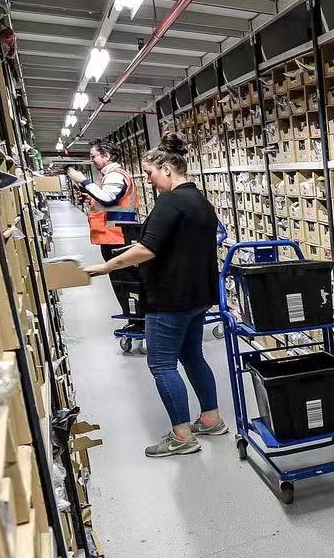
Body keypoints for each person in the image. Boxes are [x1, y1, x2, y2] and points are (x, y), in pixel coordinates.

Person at [86, 134, 229, 458]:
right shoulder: (200, 201)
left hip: (170, 298)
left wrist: (107, 266)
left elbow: (148, 248)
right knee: (193, 356)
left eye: (150, 173)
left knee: (162, 364)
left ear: (166, 168)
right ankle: (211, 419)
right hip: (197, 296)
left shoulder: (171, 201)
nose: (149, 180)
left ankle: (182, 436)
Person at [68, 141, 142, 331]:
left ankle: (139, 321)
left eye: (94, 156)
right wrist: (91, 198)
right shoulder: (110, 176)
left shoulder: (115, 175)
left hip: (118, 236)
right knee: (121, 279)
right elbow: (110, 202)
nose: (92, 160)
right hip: (114, 235)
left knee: (125, 280)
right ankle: (135, 318)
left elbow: (109, 199)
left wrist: (84, 181)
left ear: (107, 156)